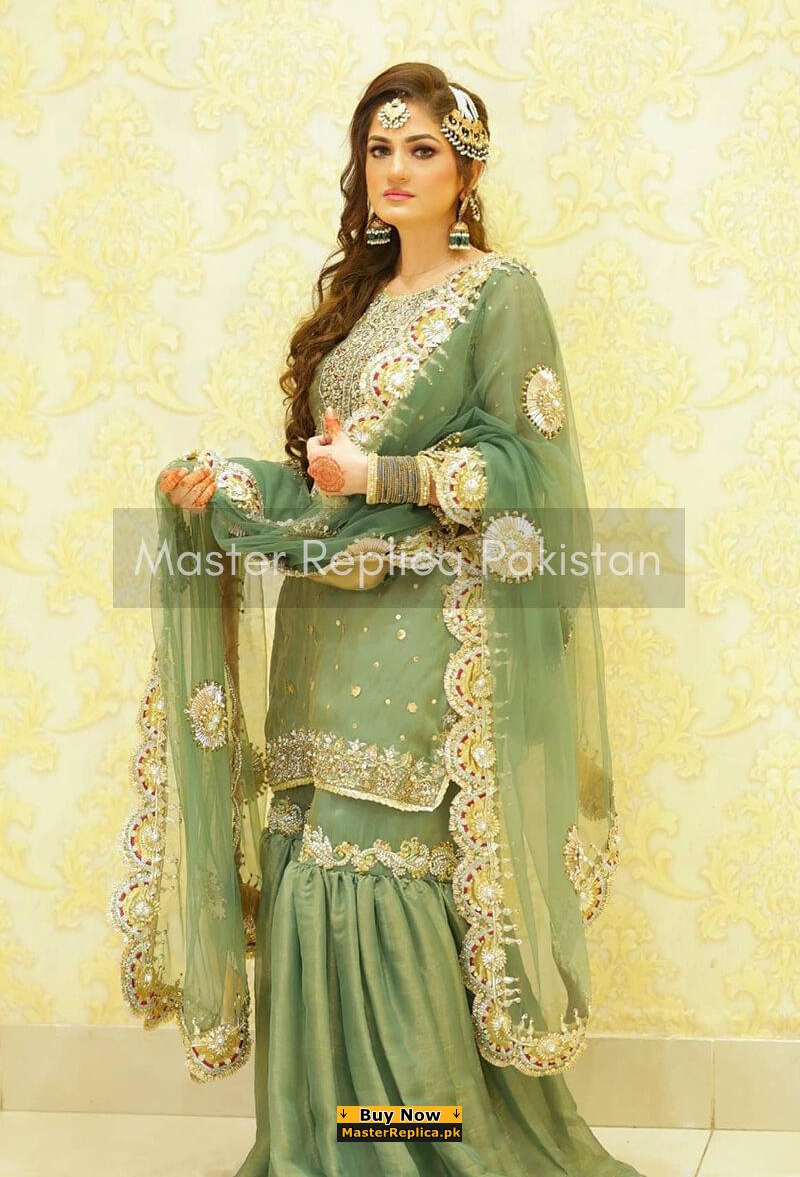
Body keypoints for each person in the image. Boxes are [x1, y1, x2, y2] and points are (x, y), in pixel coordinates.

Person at [111, 62, 646, 1177]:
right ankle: (331, 1141)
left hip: (424, 631)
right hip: (326, 630)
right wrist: (227, 483)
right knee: (313, 859)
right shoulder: (350, 312)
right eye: (378, 149)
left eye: (422, 149)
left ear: (466, 170)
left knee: (380, 867)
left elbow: (533, 473)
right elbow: (323, 496)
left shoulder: (499, 293)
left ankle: (415, 1145)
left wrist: (385, 472)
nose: (396, 169)